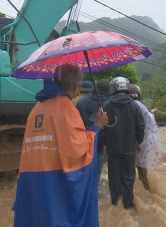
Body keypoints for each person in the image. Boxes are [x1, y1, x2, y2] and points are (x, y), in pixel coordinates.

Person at [13, 64, 108, 227]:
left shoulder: (36, 108)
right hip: (53, 184)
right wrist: (97, 126)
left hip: (30, 182)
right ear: (76, 86)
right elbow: (78, 152)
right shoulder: (66, 108)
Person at [103, 77, 145, 209]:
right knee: (128, 176)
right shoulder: (134, 105)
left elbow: (102, 127)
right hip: (129, 148)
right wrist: (138, 141)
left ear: (114, 88)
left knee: (114, 176)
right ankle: (128, 204)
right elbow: (141, 126)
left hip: (112, 148)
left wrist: (105, 143)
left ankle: (115, 203)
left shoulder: (106, 105)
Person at [76, 79, 110, 188]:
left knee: (82, 172)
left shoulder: (81, 102)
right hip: (99, 143)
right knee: (96, 174)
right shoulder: (108, 104)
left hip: (81, 142)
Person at [128, 84, 163, 191]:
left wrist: (137, 142)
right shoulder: (140, 104)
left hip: (144, 139)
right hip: (151, 138)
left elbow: (136, 125)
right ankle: (147, 191)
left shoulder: (133, 105)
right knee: (141, 166)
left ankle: (147, 192)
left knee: (140, 168)